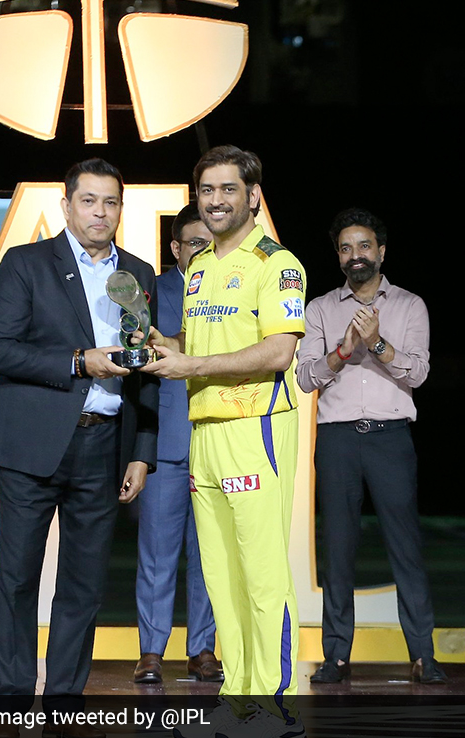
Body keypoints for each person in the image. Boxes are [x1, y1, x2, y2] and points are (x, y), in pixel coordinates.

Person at [0, 158, 158, 738]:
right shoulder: (26, 263)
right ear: (66, 206)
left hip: (106, 444)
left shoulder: (138, 273)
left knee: (83, 583)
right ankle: (11, 695)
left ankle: (63, 699)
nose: (100, 213)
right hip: (33, 441)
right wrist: (79, 362)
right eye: (89, 201)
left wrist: (142, 450)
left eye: (111, 202)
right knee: (16, 576)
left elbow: (147, 370)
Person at [143, 145, 306, 737]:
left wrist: (192, 366)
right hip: (204, 430)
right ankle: (238, 699)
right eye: (207, 190)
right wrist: (166, 345)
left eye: (228, 189)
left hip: (254, 426)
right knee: (221, 577)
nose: (215, 201)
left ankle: (277, 705)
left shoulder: (278, 264)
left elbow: (278, 351)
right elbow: (201, 343)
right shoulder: (201, 267)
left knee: (262, 577)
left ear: (253, 195)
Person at [295, 207, 445, 686]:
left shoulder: (409, 305)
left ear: (381, 251)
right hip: (337, 439)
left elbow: (417, 373)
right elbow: (305, 377)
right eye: (345, 248)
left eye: (364, 246)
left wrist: (377, 344)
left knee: (405, 547)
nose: (355, 255)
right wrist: (343, 351)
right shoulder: (320, 308)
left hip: (390, 437)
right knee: (337, 550)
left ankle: (422, 655)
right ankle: (336, 656)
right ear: (338, 256)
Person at [132, 203, 221, 685]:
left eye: (211, 243)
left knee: (209, 556)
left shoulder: (230, 289)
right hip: (166, 443)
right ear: (175, 248)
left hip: (218, 440)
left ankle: (202, 648)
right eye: (195, 243)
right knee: (157, 553)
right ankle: (151, 651)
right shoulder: (153, 290)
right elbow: (142, 362)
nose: (204, 251)